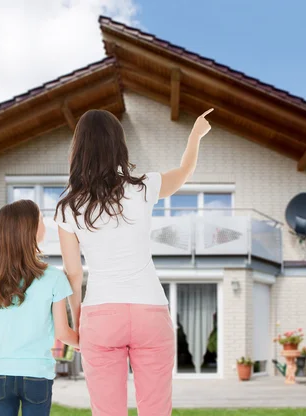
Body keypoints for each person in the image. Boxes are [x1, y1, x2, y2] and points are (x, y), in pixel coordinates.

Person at [55, 108, 213, 415]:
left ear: (79, 149)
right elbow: (184, 172)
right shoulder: (143, 187)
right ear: (118, 144)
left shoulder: (68, 207)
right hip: (150, 311)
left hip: (100, 315)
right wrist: (195, 135)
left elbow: (73, 272)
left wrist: (77, 325)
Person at [0, 199, 78, 416]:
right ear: (31, 230)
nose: (44, 224)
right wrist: (85, 343)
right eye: (41, 219)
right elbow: (63, 332)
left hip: (1, 372)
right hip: (37, 373)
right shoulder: (53, 277)